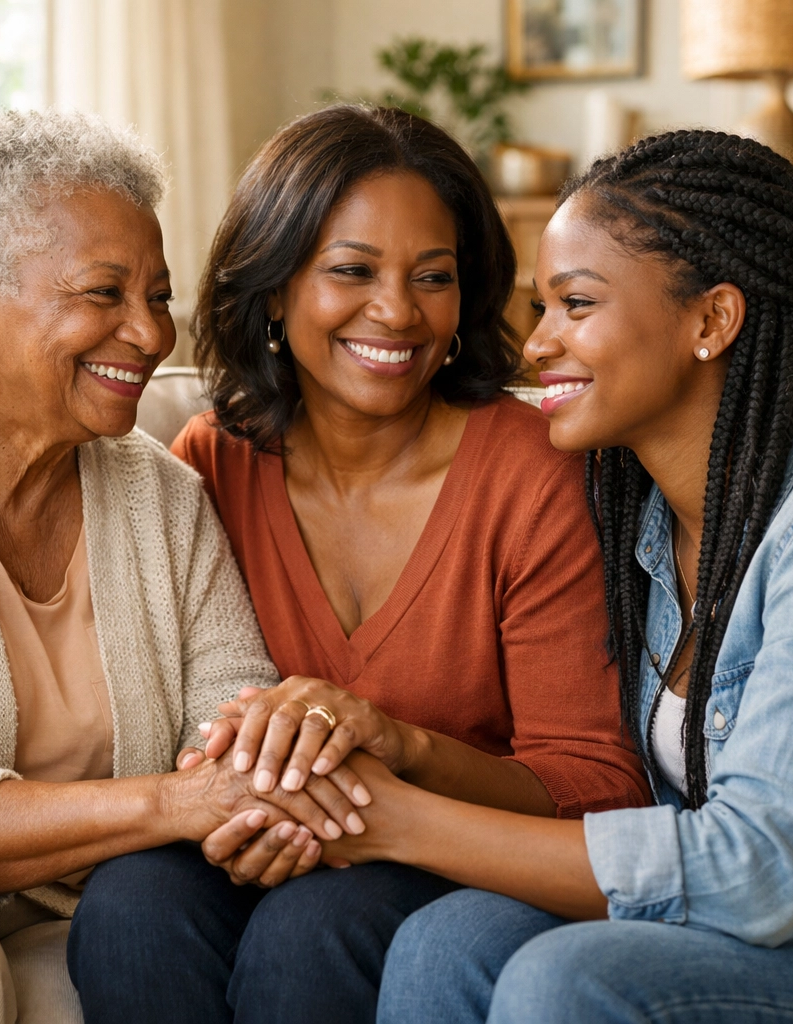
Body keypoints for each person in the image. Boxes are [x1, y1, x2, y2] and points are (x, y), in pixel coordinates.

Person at [70, 104, 648, 1023]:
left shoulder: (537, 471)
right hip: (275, 833)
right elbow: (178, 716)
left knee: (318, 925)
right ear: (272, 287)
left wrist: (396, 751)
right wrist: (254, 806)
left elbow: (592, 785)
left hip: (459, 857)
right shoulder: (212, 460)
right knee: (130, 903)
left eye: (434, 277)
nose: (397, 312)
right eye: (352, 271)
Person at [300, 129, 793, 1023]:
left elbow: (761, 872)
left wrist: (396, 822)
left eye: (576, 305)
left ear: (711, 321)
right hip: (739, 939)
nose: (535, 345)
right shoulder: (635, 514)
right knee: (450, 940)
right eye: (538, 306)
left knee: (566, 981)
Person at [0, 110, 367, 1024]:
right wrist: (178, 802)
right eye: (104, 294)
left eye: (157, 295)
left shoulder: (161, 492)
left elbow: (227, 715)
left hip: (74, 904)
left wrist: (249, 792)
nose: (152, 334)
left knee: (120, 946)